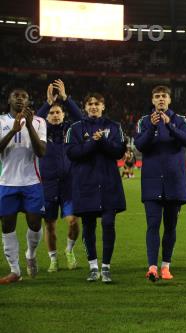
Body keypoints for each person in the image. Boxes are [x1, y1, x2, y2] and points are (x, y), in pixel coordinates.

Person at [65, 92, 126, 283]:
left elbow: (119, 151)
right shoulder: (75, 128)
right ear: (85, 107)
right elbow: (73, 153)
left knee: (108, 223)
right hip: (85, 184)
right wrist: (93, 142)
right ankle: (93, 267)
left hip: (108, 183)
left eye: (97, 103)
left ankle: (106, 267)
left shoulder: (114, 126)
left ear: (103, 107)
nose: (93, 106)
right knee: (88, 226)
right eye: (90, 103)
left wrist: (103, 141)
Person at [135, 85, 186, 282]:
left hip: (174, 181)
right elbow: (139, 145)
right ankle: (152, 267)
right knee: (152, 224)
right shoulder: (144, 121)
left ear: (169, 100)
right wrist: (152, 127)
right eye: (157, 96)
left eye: (164, 96)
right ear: (152, 100)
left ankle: (166, 266)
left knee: (170, 226)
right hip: (152, 181)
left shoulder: (180, 120)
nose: (160, 99)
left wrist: (170, 125)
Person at [0, 88, 47, 284]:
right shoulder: (1, 121)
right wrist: (13, 130)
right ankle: (15, 270)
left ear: (28, 101)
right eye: (16, 96)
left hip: (32, 182)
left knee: (35, 223)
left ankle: (31, 253)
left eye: (24, 96)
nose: (20, 99)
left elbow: (41, 152)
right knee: (7, 226)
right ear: (9, 100)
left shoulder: (38, 122)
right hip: (7, 183)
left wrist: (28, 125)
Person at [37, 80, 82, 272]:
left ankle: (69, 251)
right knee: (50, 226)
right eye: (52, 113)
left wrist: (65, 98)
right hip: (47, 184)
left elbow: (82, 119)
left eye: (58, 112)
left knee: (73, 221)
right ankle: (53, 259)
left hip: (69, 183)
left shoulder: (70, 130)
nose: (55, 115)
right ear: (47, 116)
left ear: (63, 115)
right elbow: (33, 121)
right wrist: (48, 102)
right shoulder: (40, 130)